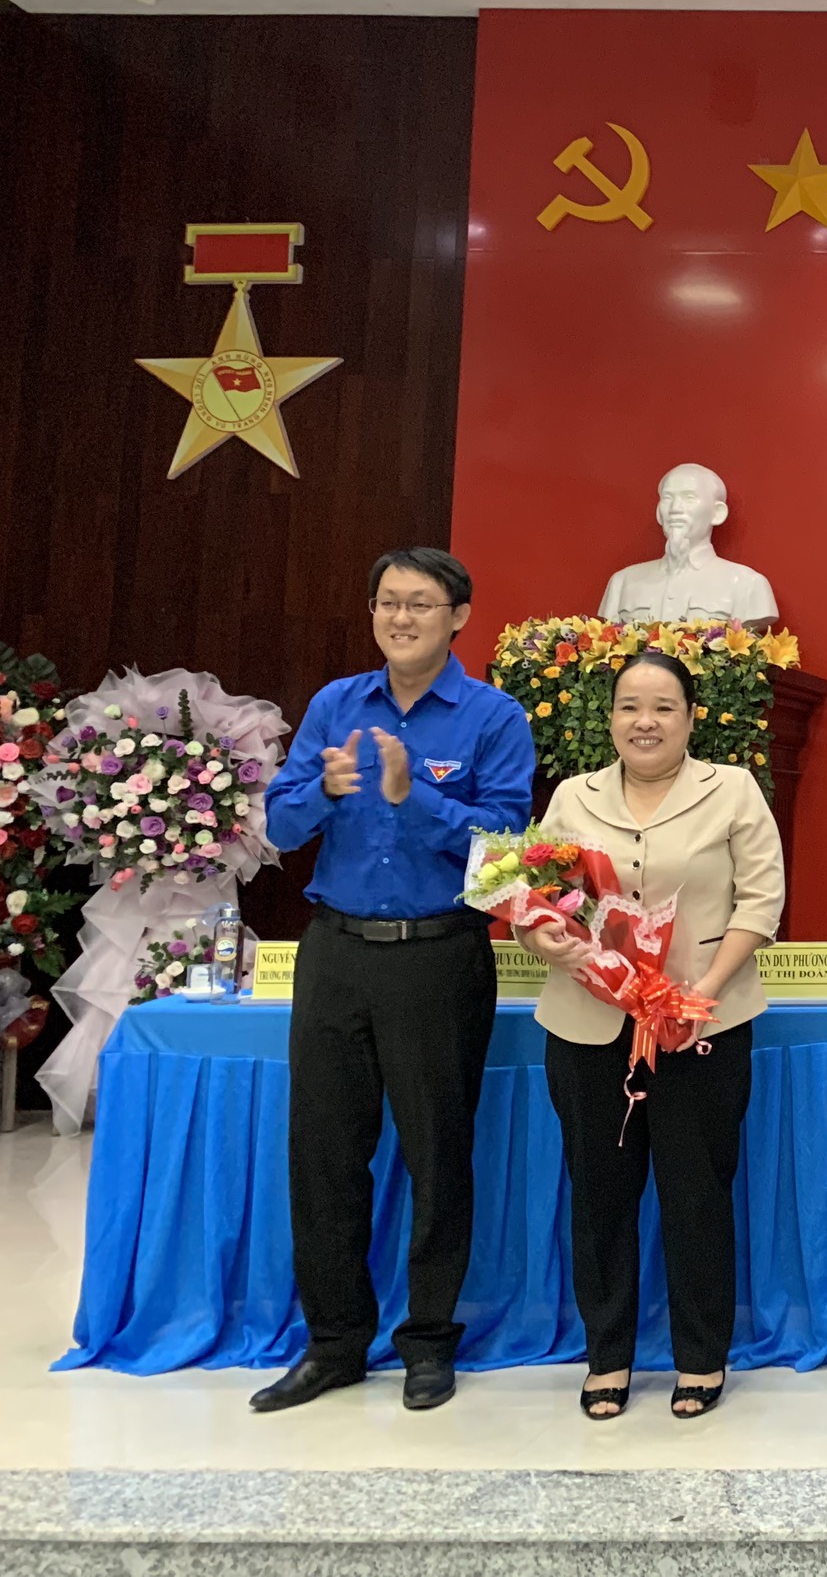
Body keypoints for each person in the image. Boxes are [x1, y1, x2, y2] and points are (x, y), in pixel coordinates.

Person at [251, 547, 535, 1414]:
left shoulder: (494, 717)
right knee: (324, 1155)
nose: (400, 618)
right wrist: (325, 791)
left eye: (419, 603)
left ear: (458, 617)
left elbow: (507, 850)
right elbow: (279, 824)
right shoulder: (336, 705)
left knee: (437, 1155)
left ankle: (428, 1343)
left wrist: (420, 799)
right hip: (335, 951)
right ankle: (334, 1343)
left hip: (438, 955)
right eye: (386, 602)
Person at [516, 649, 784, 1420]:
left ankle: (701, 1356)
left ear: (693, 718)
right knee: (600, 1195)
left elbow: (761, 902)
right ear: (608, 719)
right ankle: (608, 1357)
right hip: (588, 1025)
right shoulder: (573, 796)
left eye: (664, 707)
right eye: (630, 706)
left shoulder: (731, 790)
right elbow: (534, 899)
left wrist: (701, 993)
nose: (646, 721)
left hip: (700, 1023)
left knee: (696, 1194)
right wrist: (547, 942)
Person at [599, 463, 779, 624]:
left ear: (717, 513)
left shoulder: (747, 585)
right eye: (667, 498)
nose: (675, 508)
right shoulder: (622, 582)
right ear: (658, 513)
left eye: (689, 497)